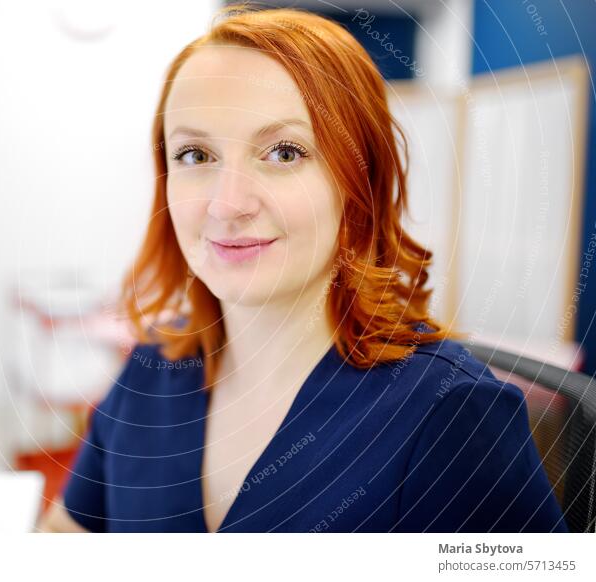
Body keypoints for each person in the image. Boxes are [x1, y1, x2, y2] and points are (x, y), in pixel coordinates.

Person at [36, 5, 567, 533]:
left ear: (357, 185)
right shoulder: (153, 370)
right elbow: (66, 532)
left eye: (283, 152)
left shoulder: (451, 414)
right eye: (195, 155)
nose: (227, 203)